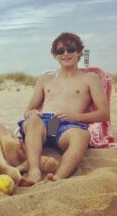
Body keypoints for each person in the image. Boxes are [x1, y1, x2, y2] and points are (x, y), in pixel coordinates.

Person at [18, 32, 109, 185]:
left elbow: (104, 114)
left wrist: (76, 117)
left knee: (81, 136)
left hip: (69, 126)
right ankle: (34, 170)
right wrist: (31, 113)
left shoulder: (90, 78)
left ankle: (58, 177)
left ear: (79, 52)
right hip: (44, 124)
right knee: (33, 120)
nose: (65, 54)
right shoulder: (45, 79)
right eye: (60, 51)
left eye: (70, 49)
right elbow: (28, 110)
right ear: (55, 55)